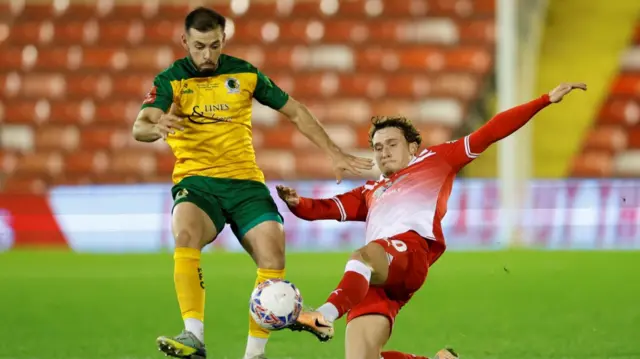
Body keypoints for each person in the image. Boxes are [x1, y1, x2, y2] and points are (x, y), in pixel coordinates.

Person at [277, 83, 587, 359]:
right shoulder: (370, 190)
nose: (383, 152)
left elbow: (492, 131)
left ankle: (324, 315)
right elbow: (322, 209)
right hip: (376, 279)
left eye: (392, 144)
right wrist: (295, 203)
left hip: (410, 253)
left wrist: (545, 100)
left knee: (363, 255)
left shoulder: (438, 159)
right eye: (378, 147)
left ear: (412, 147)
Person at [132, 7, 373, 359]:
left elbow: (294, 110)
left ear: (223, 40)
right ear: (185, 42)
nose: (207, 55)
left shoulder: (244, 73)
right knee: (185, 232)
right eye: (199, 46)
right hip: (198, 183)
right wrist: (155, 128)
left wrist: (334, 152)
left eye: (214, 45)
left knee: (273, 248)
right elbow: (141, 125)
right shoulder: (170, 80)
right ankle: (194, 336)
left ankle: (254, 354)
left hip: (246, 183)